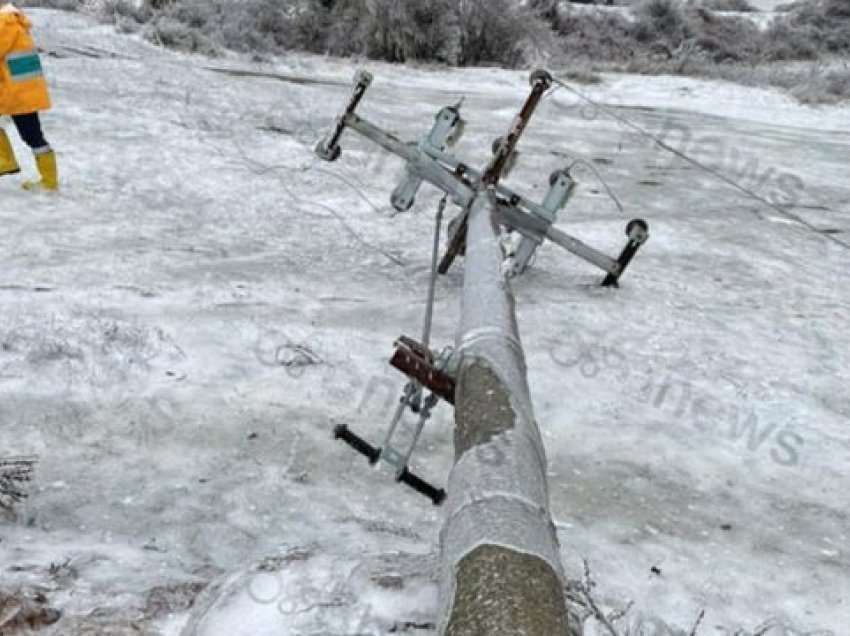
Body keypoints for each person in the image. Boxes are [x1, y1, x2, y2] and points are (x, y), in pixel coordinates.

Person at [0, 3, 57, 191]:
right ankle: (5, 161)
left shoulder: (4, 24)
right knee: (32, 135)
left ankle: (48, 181)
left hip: (19, 92)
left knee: (32, 136)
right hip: (23, 89)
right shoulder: (13, 23)